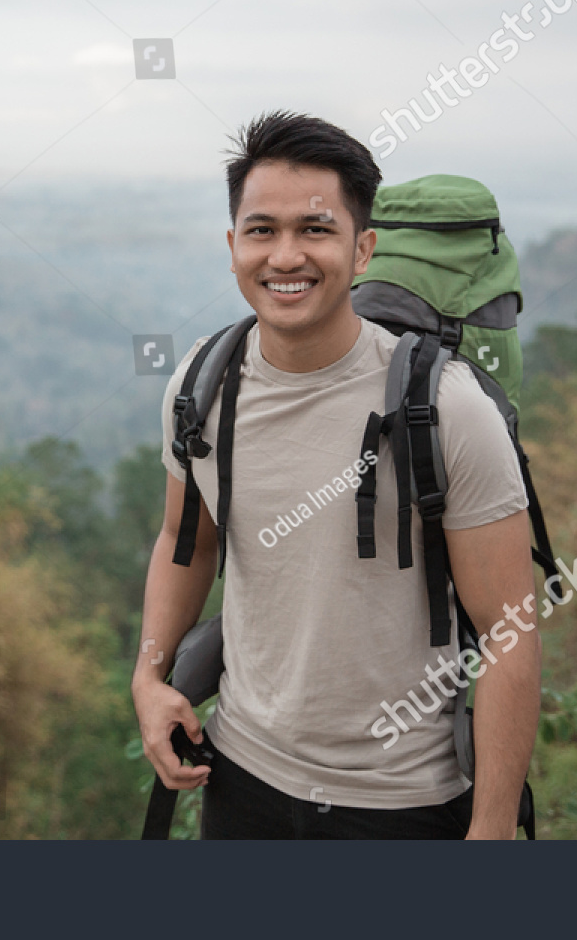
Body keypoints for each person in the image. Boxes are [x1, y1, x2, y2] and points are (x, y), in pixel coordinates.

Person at [131, 111, 541, 839]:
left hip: (401, 803)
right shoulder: (202, 386)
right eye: (262, 230)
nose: (285, 255)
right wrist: (150, 677)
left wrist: (493, 830)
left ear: (363, 248)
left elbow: (509, 632)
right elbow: (181, 538)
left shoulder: (445, 409)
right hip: (241, 777)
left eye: (315, 229)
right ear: (233, 247)